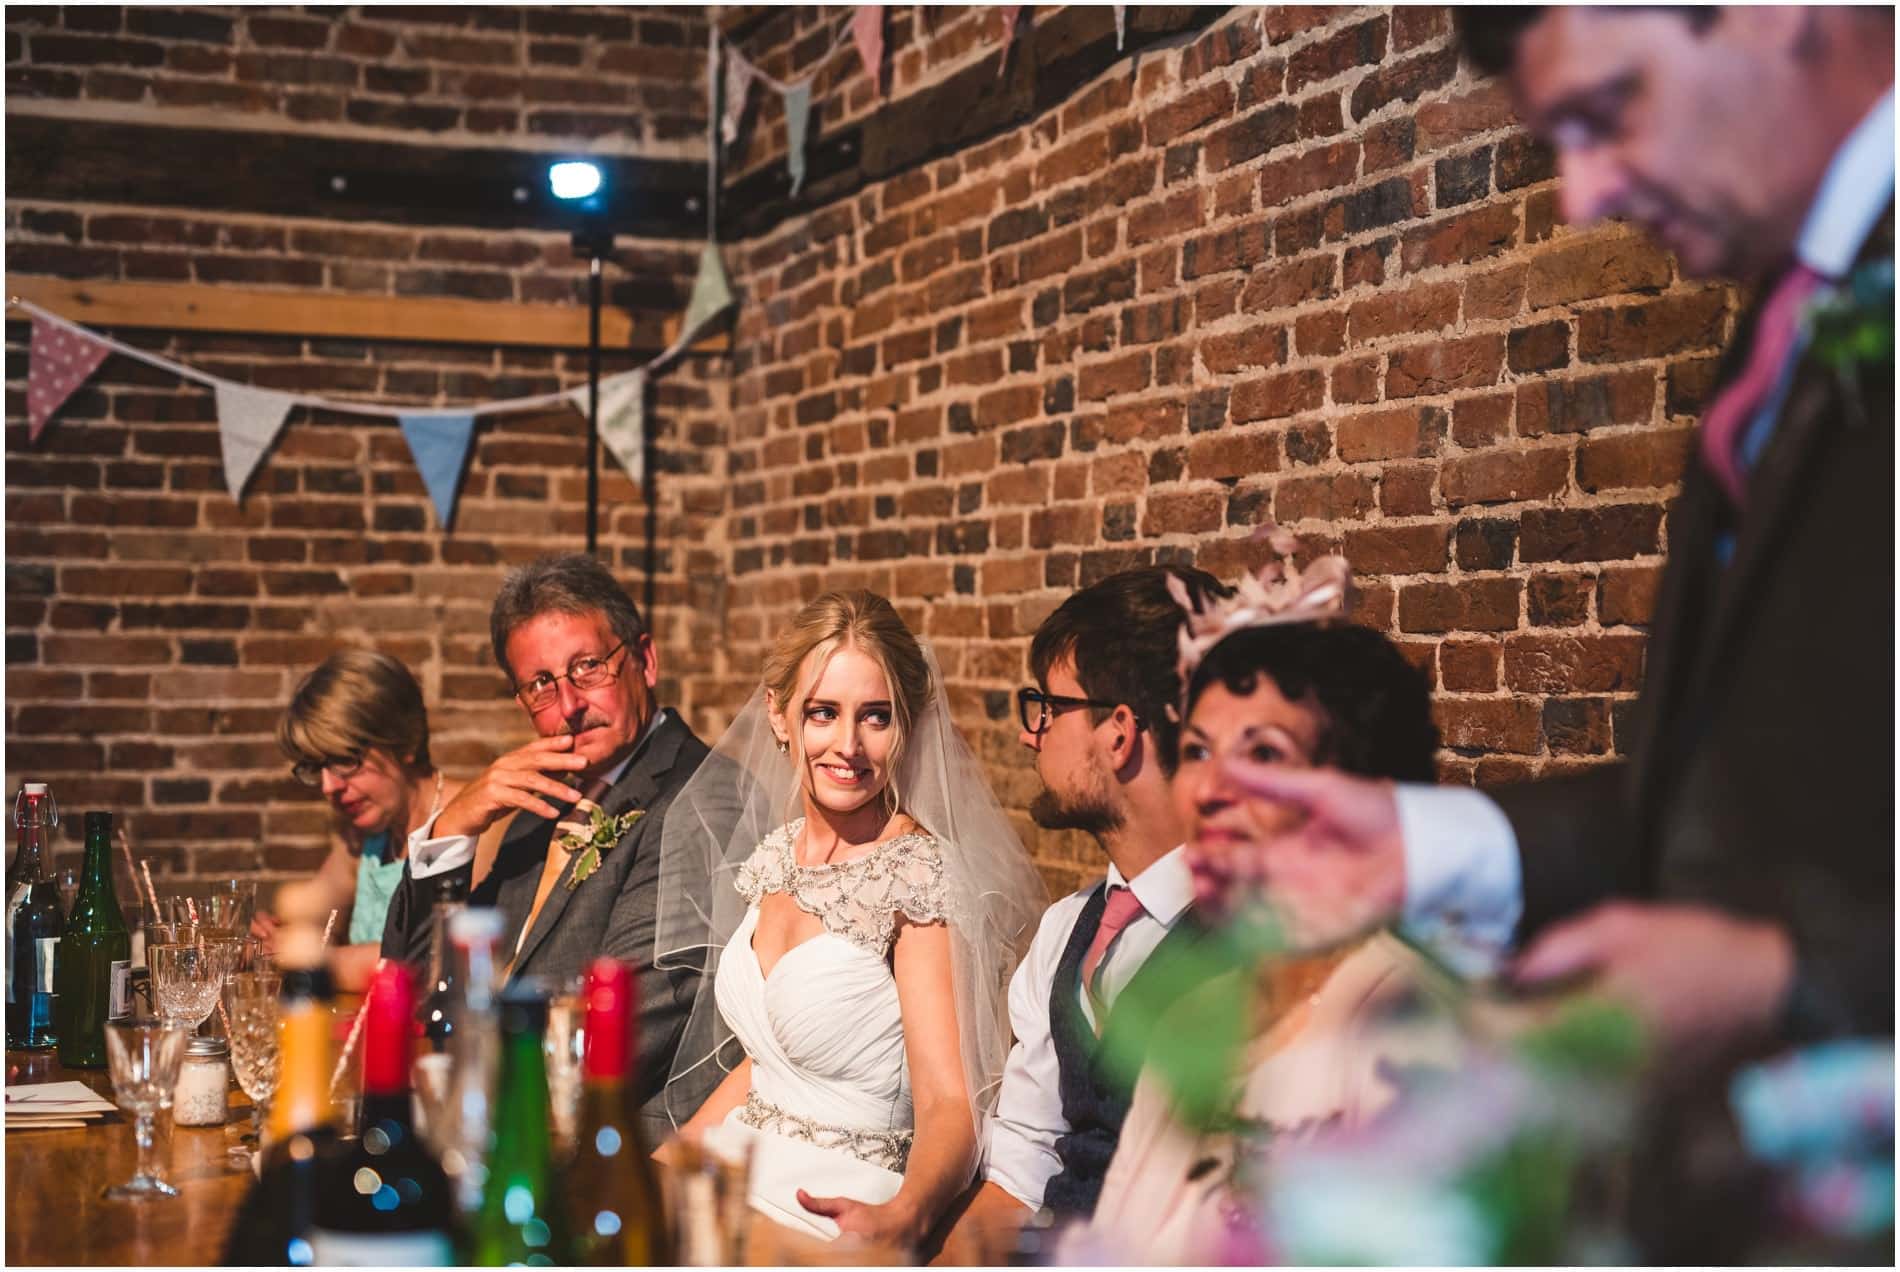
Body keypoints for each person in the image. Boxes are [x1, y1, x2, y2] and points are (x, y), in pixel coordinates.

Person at [1212, 5, 1893, 1074]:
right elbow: (1742, 804)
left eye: (1608, 111)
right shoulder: (1789, 315)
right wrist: (1430, 843)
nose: (1584, 200)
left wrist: (1788, 984)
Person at [1073, 563, 1466, 1265]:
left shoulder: (1409, 1030)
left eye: (1263, 753)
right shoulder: (1193, 1017)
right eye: (1198, 750)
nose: (1214, 789)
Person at [654, 590, 1043, 1247]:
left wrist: (907, 1216)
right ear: (779, 717)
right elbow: (767, 1062)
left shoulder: (916, 878)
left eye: (876, 717)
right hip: (735, 1171)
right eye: (824, 713)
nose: (848, 745)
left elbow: (950, 1102)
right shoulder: (775, 857)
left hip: (833, 1206)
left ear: (908, 727)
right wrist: (670, 1160)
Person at [378, 552, 716, 1138]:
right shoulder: (540, 802)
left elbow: (624, 1029)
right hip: (481, 1114)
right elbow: (417, 985)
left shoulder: (701, 798)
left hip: (599, 1145)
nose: (568, 707)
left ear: (645, 660)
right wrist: (451, 830)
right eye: (540, 685)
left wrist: (454, 1090)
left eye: (588, 667)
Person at [951, 566, 1230, 1253]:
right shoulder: (1064, 931)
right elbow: (1017, 1176)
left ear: (1118, 733)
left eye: (1047, 709)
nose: (1030, 734)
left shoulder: (1258, 939)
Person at [254, 649, 506, 993]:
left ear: (404, 741)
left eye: (344, 760)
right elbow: (309, 919)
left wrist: (317, 958)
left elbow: (436, 960)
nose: (329, 786)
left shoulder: (477, 822)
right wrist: (277, 937)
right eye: (315, 767)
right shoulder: (362, 838)